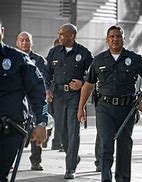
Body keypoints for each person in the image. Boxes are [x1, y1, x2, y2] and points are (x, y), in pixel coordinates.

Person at [77, 25, 142, 182]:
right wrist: (81, 107)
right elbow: (88, 85)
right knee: (106, 144)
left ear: (124, 39)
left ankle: (123, 179)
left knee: (124, 146)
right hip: (104, 108)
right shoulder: (99, 60)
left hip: (127, 109)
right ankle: (106, 178)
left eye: (118, 36)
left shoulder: (134, 59)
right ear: (107, 40)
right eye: (112, 36)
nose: (115, 39)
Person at [0, 21, 48, 182]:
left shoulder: (18, 59)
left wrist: (42, 122)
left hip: (8, 131)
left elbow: (38, 93)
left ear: (2, 31)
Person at [45, 23, 93, 179]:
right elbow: (46, 74)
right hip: (58, 96)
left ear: (71, 36)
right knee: (61, 130)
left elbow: (94, 75)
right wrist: (48, 88)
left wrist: (82, 82)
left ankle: (70, 167)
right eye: (59, 34)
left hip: (75, 97)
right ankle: (73, 156)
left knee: (73, 131)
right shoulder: (53, 53)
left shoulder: (84, 53)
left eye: (62, 34)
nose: (59, 37)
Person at [16, 31, 48, 171]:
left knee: (37, 129)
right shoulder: (12, 58)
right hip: (17, 101)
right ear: (17, 43)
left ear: (31, 42)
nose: (24, 43)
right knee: (15, 133)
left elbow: (43, 80)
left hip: (33, 100)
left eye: (27, 40)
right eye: (22, 40)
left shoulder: (39, 60)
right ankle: (10, 160)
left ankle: (36, 161)